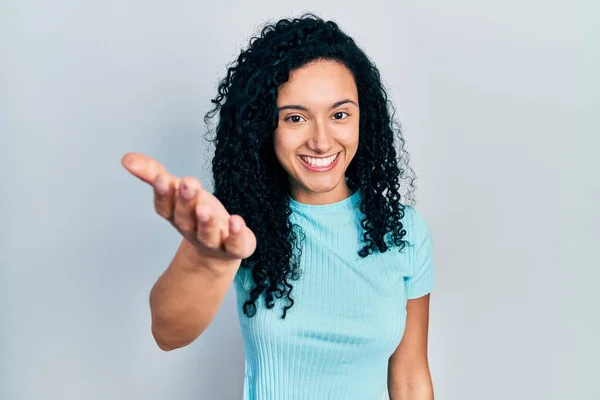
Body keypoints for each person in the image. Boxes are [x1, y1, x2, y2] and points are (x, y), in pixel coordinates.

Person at [122, 13, 435, 400]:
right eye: (295, 118)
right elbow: (168, 334)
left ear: (362, 119)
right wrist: (208, 260)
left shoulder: (403, 232)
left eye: (339, 115)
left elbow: (410, 376)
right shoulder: (239, 224)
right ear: (264, 126)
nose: (321, 141)